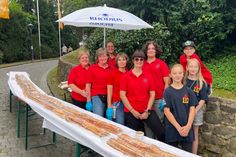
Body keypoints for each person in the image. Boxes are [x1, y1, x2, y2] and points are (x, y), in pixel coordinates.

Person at [120, 50, 165, 142]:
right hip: (131, 111)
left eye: (141, 59)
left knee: (161, 133)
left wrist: (147, 111)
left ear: (144, 61)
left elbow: (152, 94)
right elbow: (122, 95)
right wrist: (133, 111)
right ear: (133, 60)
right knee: (132, 138)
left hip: (146, 110)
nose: (139, 61)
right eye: (137, 59)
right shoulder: (126, 76)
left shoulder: (148, 76)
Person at [163, 64, 197, 152]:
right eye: (174, 73)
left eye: (180, 73)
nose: (177, 75)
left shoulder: (189, 91)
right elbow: (167, 111)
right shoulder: (167, 92)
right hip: (172, 129)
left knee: (187, 154)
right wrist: (178, 128)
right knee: (171, 153)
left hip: (187, 129)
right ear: (170, 75)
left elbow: (192, 110)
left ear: (183, 74)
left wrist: (188, 126)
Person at [185, 58, 208, 154]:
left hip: (196, 111)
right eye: (191, 66)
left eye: (195, 67)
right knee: (185, 131)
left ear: (198, 68)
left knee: (194, 133)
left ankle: (193, 154)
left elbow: (203, 99)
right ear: (187, 67)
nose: (193, 69)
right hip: (184, 110)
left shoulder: (201, 82)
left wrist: (194, 110)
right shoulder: (184, 80)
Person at [142, 41, 170, 122]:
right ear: (146, 51)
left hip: (158, 99)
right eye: (149, 48)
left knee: (159, 121)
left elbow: (167, 83)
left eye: (153, 48)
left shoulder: (161, 64)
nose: (150, 50)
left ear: (156, 51)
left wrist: (164, 99)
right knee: (147, 122)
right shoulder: (141, 64)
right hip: (145, 99)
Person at [86, 48, 111, 117]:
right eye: (100, 56)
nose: (102, 58)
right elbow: (88, 85)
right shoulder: (92, 68)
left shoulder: (112, 69)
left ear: (107, 56)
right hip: (97, 96)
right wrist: (88, 101)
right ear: (97, 58)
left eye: (104, 56)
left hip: (110, 96)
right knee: (98, 117)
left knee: (111, 120)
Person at [106, 53, 128, 125]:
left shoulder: (129, 73)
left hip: (129, 103)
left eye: (123, 59)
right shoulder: (112, 73)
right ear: (117, 62)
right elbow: (109, 91)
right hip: (118, 103)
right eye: (119, 60)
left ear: (126, 61)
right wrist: (109, 106)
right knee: (120, 124)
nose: (121, 62)